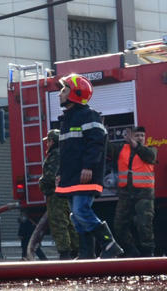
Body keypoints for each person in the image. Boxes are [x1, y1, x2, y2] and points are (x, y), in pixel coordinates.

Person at [55, 73, 122, 258]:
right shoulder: (66, 120)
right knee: (76, 216)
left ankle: (109, 245)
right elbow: (66, 153)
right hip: (71, 176)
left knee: (81, 210)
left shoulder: (88, 115)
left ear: (75, 93)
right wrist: (60, 173)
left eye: (64, 89)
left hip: (85, 174)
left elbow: (97, 143)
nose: (59, 93)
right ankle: (87, 254)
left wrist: (88, 167)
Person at [110, 125, 156, 256]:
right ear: (131, 137)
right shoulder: (121, 149)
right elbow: (107, 149)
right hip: (125, 194)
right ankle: (132, 251)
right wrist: (102, 130)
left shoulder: (150, 150)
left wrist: (135, 144)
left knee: (144, 225)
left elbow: (149, 157)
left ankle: (148, 253)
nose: (140, 138)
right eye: (137, 135)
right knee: (119, 226)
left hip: (144, 195)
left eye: (142, 136)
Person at [37, 129, 78, 259]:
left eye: (48, 141)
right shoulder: (64, 153)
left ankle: (64, 253)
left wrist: (41, 182)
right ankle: (76, 250)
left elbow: (51, 176)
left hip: (56, 194)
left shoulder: (55, 155)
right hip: (64, 193)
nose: (46, 144)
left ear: (52, 141)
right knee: (68, 222)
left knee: (58, 223)